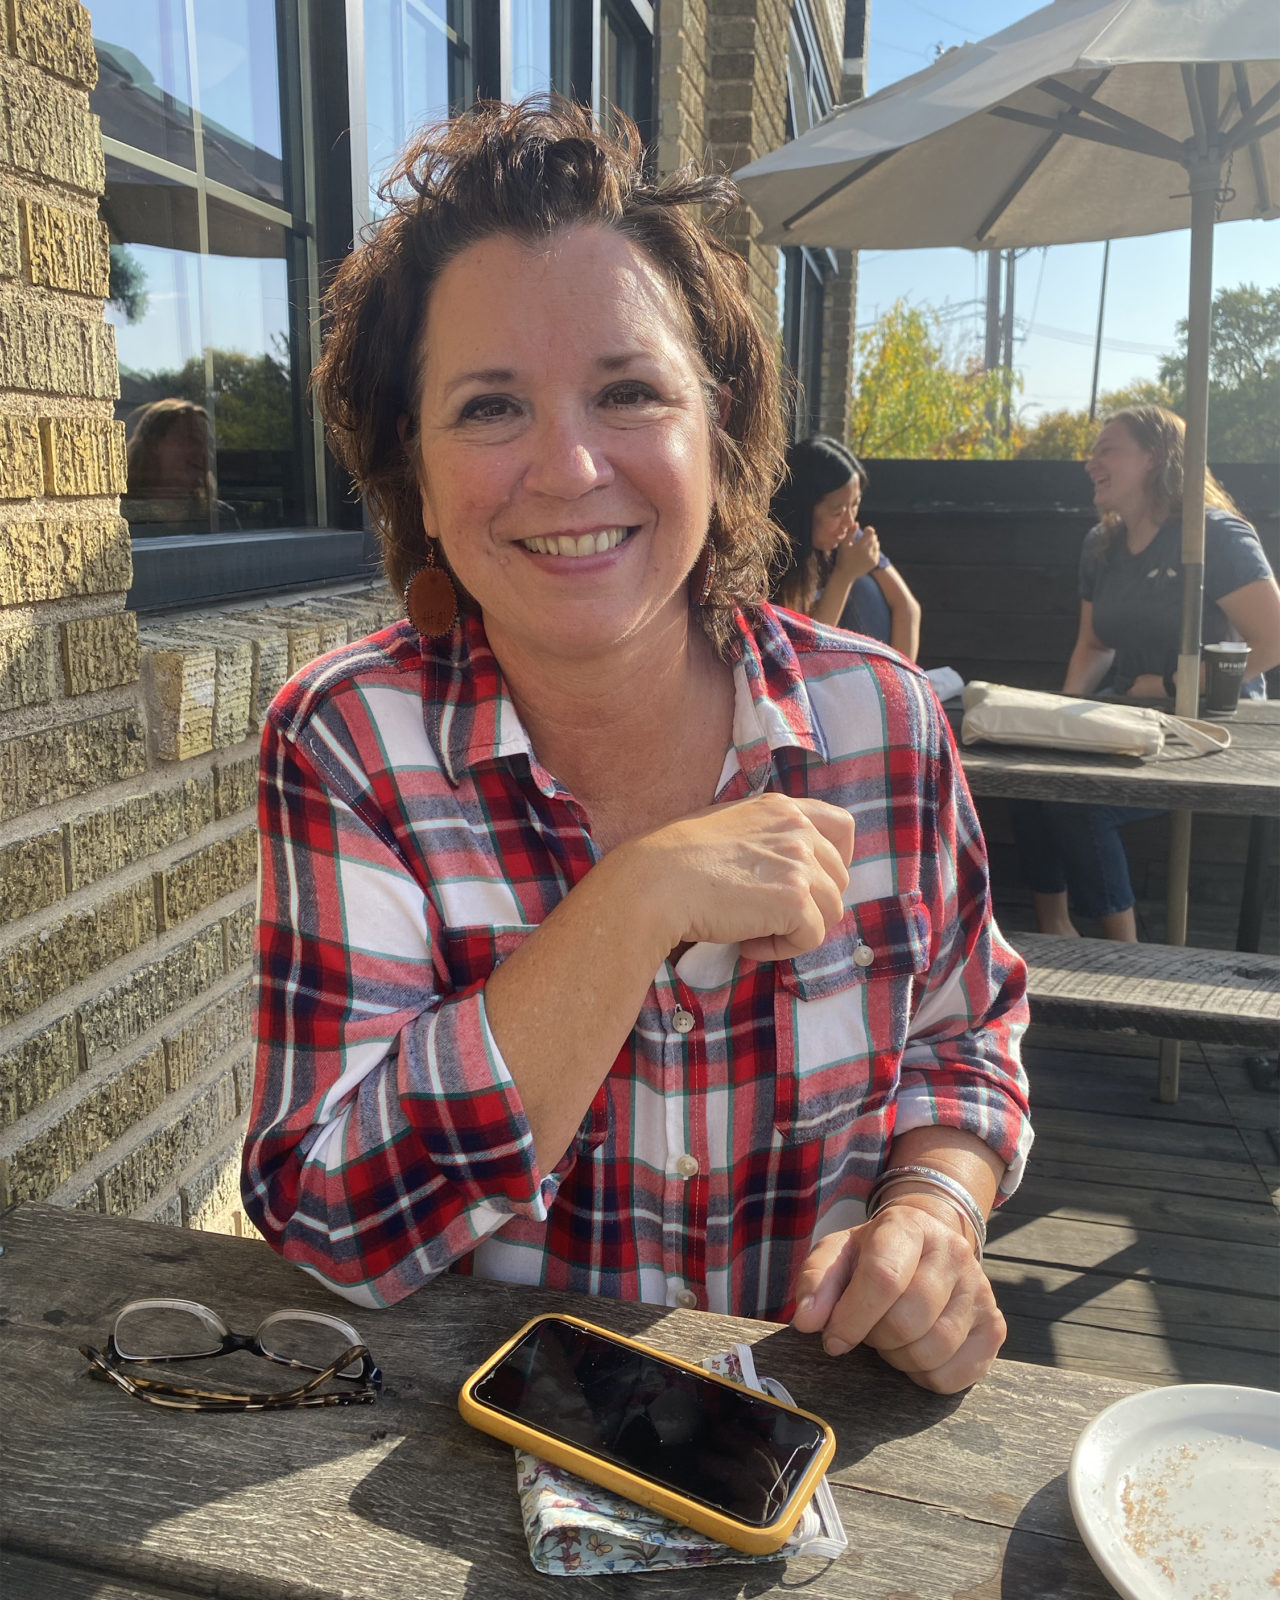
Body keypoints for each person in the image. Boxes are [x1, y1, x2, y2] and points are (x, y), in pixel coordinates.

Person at [243, 99, 1031, 1395]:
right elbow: (329, 1213)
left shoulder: (883, 719)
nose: (568, 467)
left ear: (715, 429)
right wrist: (636, 900)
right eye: (490, 407)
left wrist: (933, 1207)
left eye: (626, 392)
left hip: (813, 1440)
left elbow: (967, 1032)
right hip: (470, 1464)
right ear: (414, 470)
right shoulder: (350, 742)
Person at [1012, 405, 1280, 941]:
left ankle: (1124, 952)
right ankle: (1055, 932)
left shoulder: (1213, 536)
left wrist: (1176, 685)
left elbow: (1271, 638)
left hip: (1211, 728)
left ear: (1153, 457)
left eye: (1107, 449)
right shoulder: (1101, 544)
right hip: (1132, 714)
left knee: (1079, 804)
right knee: (1032, 782)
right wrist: (1056, 721)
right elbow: (1095, 645)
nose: (1090, 463)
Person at [769, 435, 923, 660]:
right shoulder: (776, 555)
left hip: (860, 666)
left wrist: (902, 675)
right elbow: (805, 649)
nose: (850, 522)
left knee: (865, 585)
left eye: (855, 504)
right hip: (805, 668)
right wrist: (844, 574)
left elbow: (907, 607)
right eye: (837, 512)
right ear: (804, 511)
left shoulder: (849, 536)